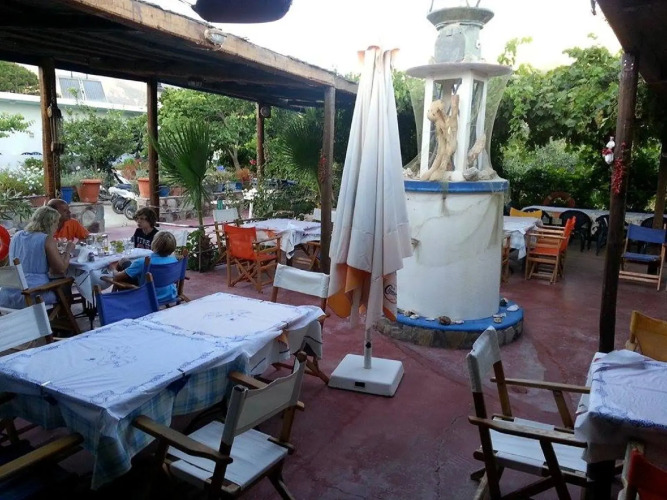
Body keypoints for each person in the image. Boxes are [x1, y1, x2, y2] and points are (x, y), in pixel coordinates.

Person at [0, 206, 75, 310]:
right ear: (51, 223)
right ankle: (61, 318)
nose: (57, 226)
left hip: (6, 295)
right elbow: (60, 269)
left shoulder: (17, 236)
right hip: (31, 295)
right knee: (66, 284)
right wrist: (68, 250)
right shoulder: (46, 239)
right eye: (57, 223)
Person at [112, 231, 178, 304]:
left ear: (154, 243)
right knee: (125, 262)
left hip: (147, 297)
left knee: (124, 270)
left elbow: (117, 277)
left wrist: (113, 268)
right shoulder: (174, 261)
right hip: (170, 295)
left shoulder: (142, 262)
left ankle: (121, 301)